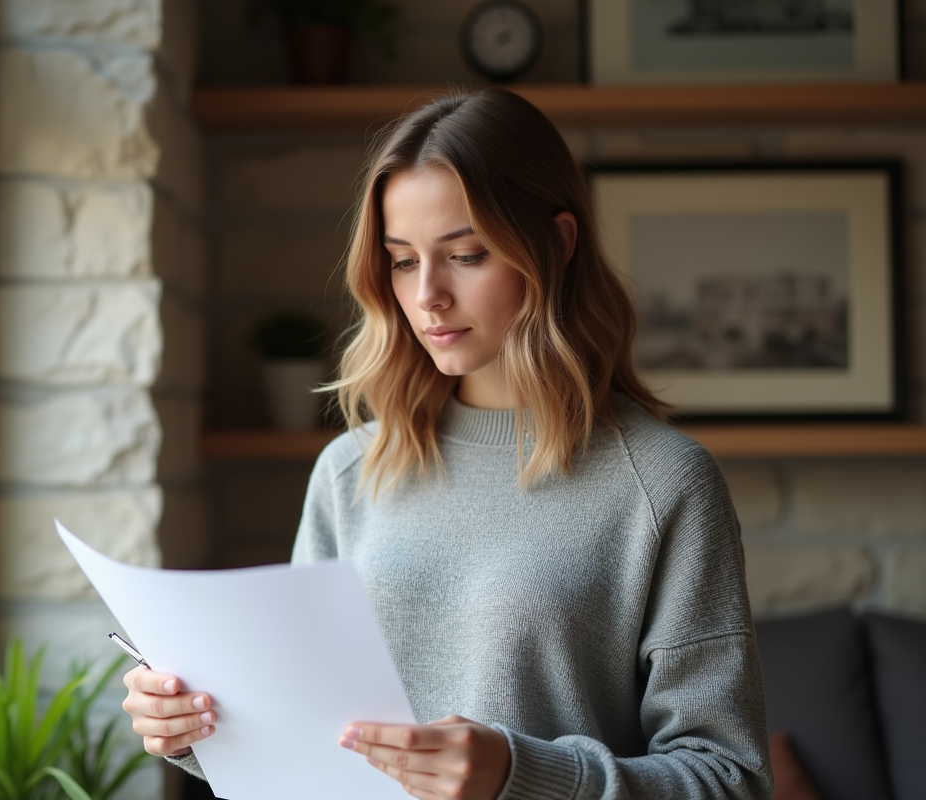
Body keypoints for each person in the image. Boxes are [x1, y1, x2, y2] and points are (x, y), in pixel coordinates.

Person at [121, 88, 773, 800]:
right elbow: (307, 741)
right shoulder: (350, 472)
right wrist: (197, 728)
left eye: (465, 254)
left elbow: (729, 779)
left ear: (555, 244)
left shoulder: (664, 484)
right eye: (402, 261)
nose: (428, 293)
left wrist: (522, 776)